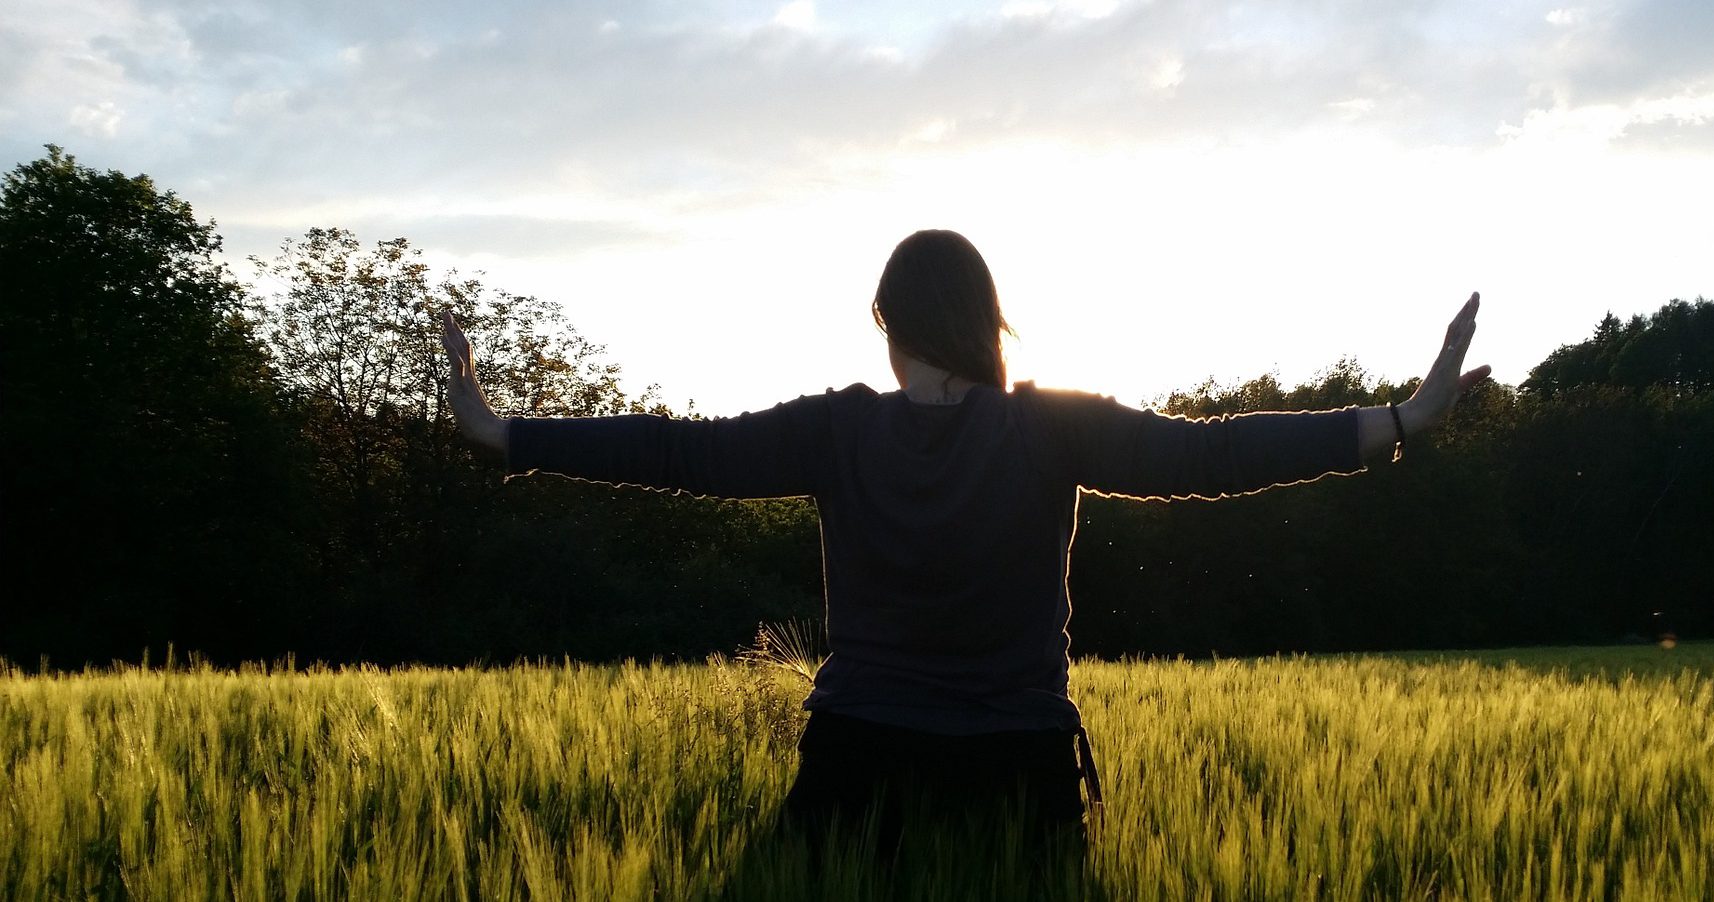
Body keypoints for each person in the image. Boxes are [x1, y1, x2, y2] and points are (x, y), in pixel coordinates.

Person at [440, 229, 1488, 859]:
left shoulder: (837, 429)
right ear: (989, 319)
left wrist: (507, 433)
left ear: (889, 322)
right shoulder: (1048, 425)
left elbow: (680, 454)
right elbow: (1204, 455)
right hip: (1015, 771)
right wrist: (1397, 420)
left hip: (858, 767)